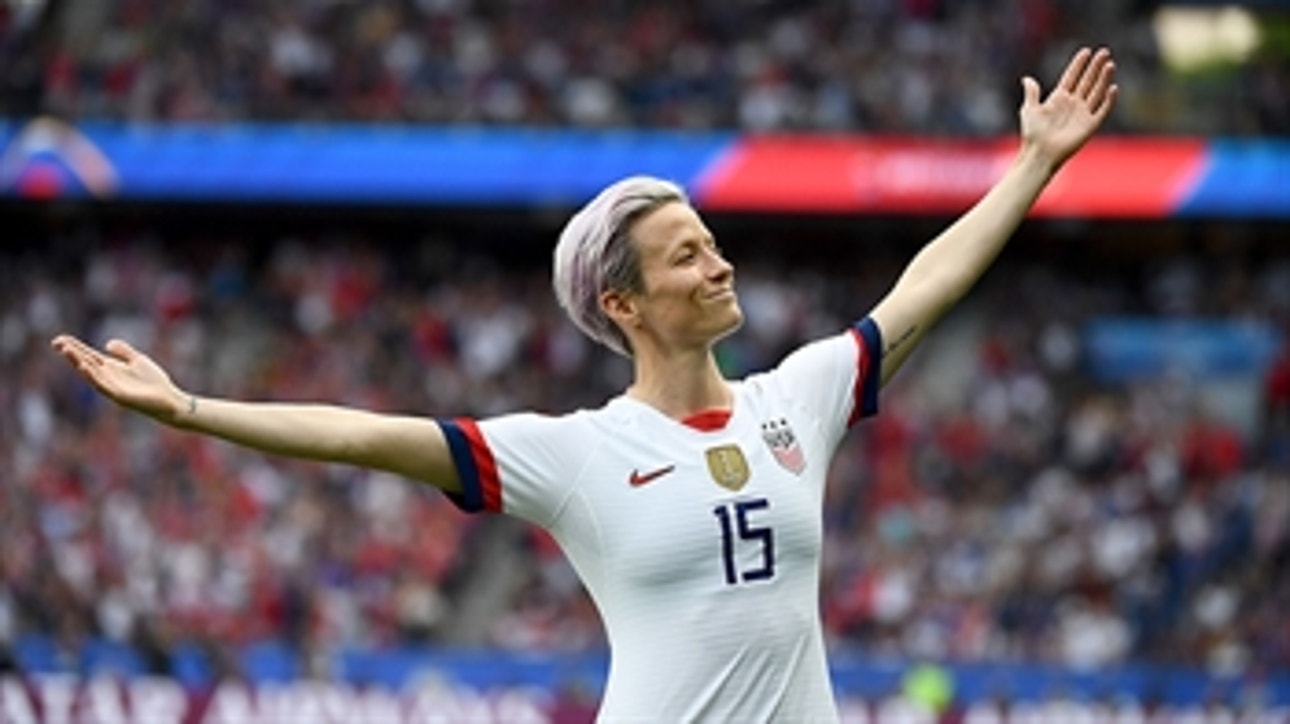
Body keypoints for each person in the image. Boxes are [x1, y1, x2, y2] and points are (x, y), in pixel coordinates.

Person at [52, 47, 1117, 722]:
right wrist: (191, 408)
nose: (721, 263)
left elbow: (924, 284)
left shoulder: (798, 399)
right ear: (625, 303)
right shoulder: (574, 455)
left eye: (713, 242)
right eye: (688, 257)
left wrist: (1031, 168)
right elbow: (362, 434)